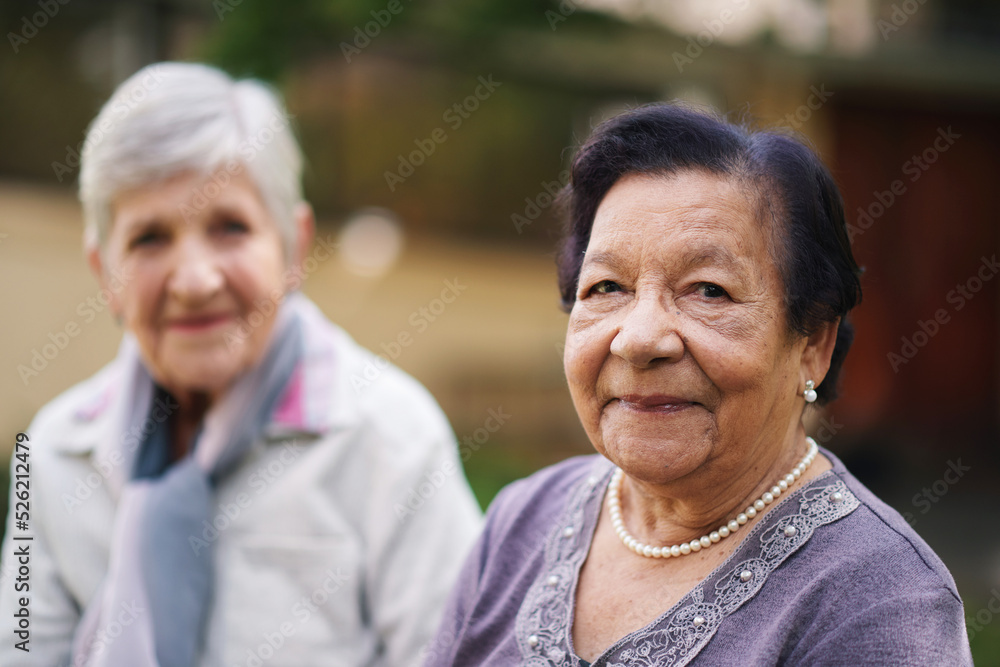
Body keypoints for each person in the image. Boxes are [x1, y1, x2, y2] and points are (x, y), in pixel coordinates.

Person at [424, 103, 973, 666]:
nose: (638, 339)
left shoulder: (881, 601)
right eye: (607, 286)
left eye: (708, 290)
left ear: (812, 345)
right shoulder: (524, 519)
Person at [0, 62, 482, 667]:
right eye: (149, 238)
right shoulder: (46, 454)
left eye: (229, 227)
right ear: (106, 274)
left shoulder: (393, 436)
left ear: (293, 248)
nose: (196, 281)